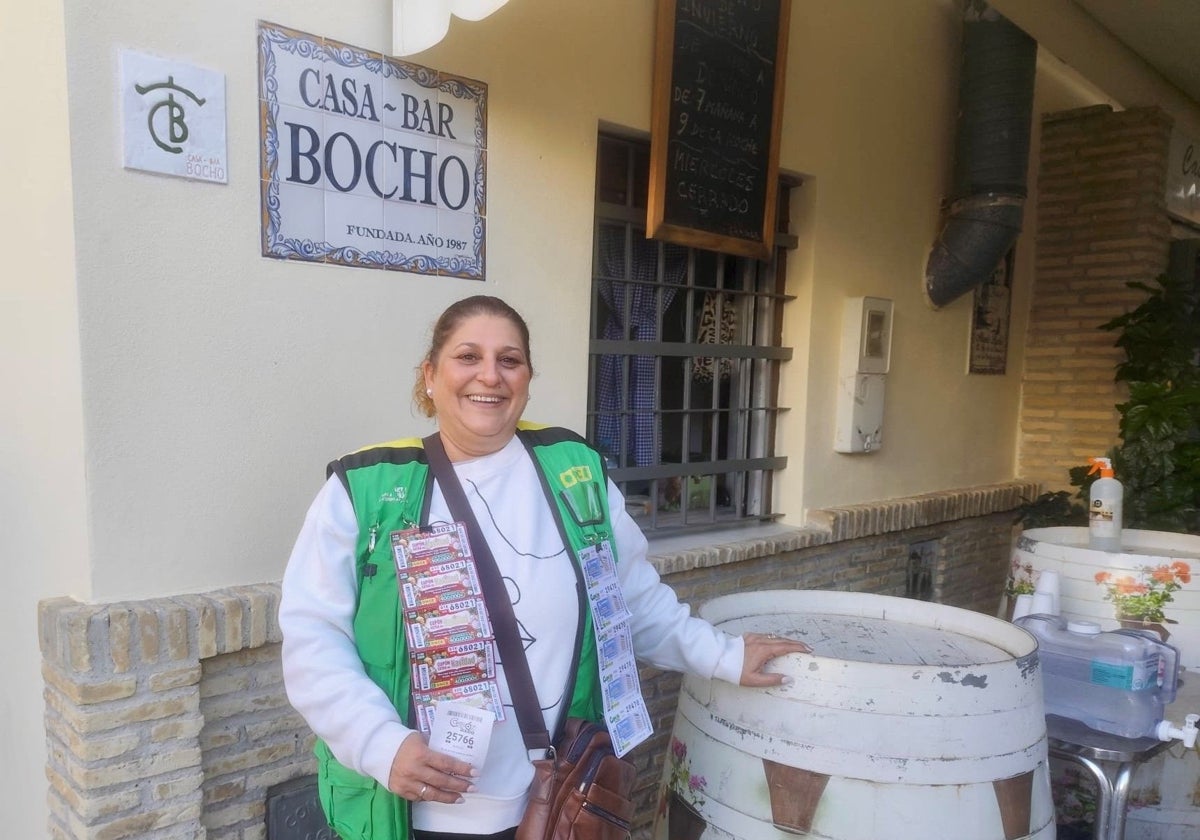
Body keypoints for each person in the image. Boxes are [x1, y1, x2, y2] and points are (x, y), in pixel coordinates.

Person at [279, 295, 809, 840]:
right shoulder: (364, 487)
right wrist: (379, 744)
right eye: (468, 356)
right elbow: (313, 636)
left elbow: (629, 602)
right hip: (415, 809)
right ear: (430, 375)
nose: (490, 375)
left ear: (528, 378)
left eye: (509, 360)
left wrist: (724, 656)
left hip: (556, 800)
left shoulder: (573, 470)